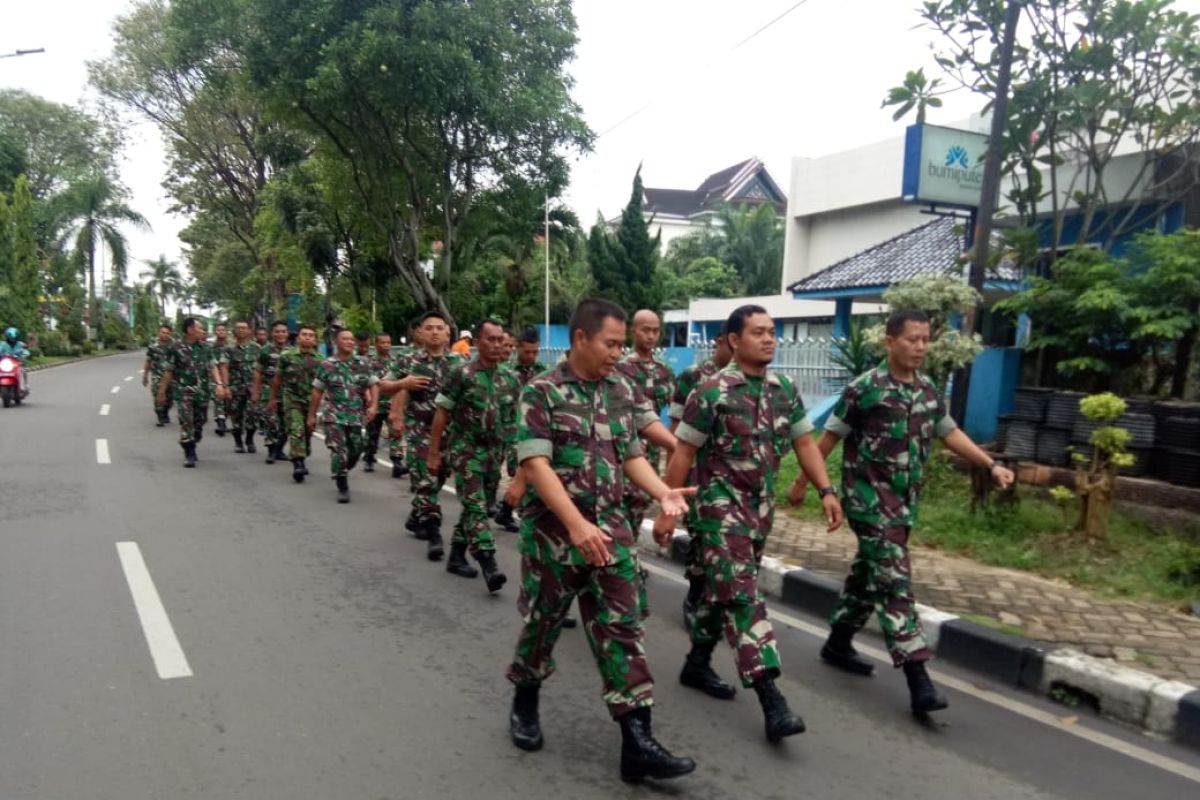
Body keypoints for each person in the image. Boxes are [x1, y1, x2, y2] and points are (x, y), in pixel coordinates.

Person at [505, 298, 697, 783]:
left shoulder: (621, 388)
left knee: (622, 627)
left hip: (612, 531)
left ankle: (637, 741)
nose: (618, 352)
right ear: (580, 339)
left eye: (620, 344)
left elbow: (631, 454)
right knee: (543, 623)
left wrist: (662, 492)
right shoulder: (542, 392)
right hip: (554, 535)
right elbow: (535, 463)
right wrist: (574, 524)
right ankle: (525, 697)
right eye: (610, 343)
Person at [802, 308, 1015, 715]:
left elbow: (949, 432)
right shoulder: (865, 388)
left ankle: (838, 642)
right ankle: (919, 678)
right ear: (889, 341)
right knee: (895, 582)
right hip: (868, 503)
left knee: (871, 573)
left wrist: (989, 465)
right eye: (912, 339)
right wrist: (810, 486)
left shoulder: (929, 390)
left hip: (903, 505)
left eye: (925, 339)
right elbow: (826, 439)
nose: (920, 347)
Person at [655, 305, 843, 743]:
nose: (769, 339)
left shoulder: (784, 389)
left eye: (772, 332)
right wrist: (667, 510)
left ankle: (697, 664)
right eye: (758, 332)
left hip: (759, 512)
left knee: (713, 591)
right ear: (734, 340)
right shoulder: (711, 392)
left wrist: (826, 490)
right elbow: (682, 455)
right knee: (741, 596)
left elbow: (804, 443)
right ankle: (770, 696)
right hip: (719, 510)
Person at [429, 318, 519, 592]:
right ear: (478, 342)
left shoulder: (509, 379)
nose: (496, 345)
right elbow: (442, 412)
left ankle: (456, 555)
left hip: (494, 456)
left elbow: (513, 422)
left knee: (476, 508)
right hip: (465, 451)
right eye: (490, 339)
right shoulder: (461, 374)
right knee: (477, 507)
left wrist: (515, 457)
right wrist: (434, 452)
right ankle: (489, 563)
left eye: (500, 340)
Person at [380, 312, 464, 553]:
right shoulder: (408, 362)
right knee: (426, 481)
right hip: (420, 434)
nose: (435, 332)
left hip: (451, 435)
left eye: (440, 328)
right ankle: (434, 534)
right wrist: (403, 384)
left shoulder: (460, 364)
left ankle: (416, 516)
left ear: (448, 333)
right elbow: (383, 385)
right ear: (421, 333)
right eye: (429, 328)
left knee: (435, 482)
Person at [668, 326, 734, 630]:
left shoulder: (749, 380)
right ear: (720, 342)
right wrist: (673, 481)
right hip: (698, 470)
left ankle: (715, 596)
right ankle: (694, 596)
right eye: (730, 346)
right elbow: (677, 426)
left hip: (733, 477)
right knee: (699, 535)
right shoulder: (694, 376)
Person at [615, 310, 676, 534]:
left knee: (640, 503)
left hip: (650, 453)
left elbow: (675, 411)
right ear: (633, 331)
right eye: (645, 330)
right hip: (623, 450)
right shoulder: (620, 368)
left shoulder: (664, 371)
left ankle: (629, 551)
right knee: (619, 504)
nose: (651, 336)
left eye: (655, 330)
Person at [309, 329, 379, 503]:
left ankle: (343, 469)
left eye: (351, 339)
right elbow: (317, 391)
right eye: (345, 339)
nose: (349, 342)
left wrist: (374, 405)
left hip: (356, 415)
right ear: (336, 342)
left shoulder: (363, 363)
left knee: (356, 448)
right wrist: (311, 415)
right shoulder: (327, 365)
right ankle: (342, 484)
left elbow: (374, 384)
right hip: (333, 415)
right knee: (338, 450)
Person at [495, 326, 548, 532]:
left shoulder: (542, 372)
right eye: (527, 352)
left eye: (535, 351)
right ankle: (512, 512)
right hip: (511, 433)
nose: (532, 356)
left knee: (529, 476)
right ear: (517, 348)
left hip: (536, 433)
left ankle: (508, 512)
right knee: (521, 474)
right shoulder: (505, 372)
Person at [156, 317, 227, 467]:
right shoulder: (175, 349)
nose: (202, 331)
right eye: (200, 328)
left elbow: (213, 366)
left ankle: (196, 435)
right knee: (186, 421)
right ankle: (189, 452)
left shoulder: (206, 348)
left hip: (203, 392)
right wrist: (161, 392)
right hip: (184, 393)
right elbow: (169, 371)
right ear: (190, 330)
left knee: (200, 421)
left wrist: (219, 384)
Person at [271, 324, 321, 483]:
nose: (307, 337)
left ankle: (302, 457)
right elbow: (278, 379)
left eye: (311, 335)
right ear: (298, 338)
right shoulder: (286, 356)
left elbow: (324, 385)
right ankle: (297, 463)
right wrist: (273, 398)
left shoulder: (320, 360)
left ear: (314, 340)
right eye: (304, 334)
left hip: (311, 401)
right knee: (296, 429)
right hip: (292, 399)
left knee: (307, 432)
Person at [251, 321, 289, 462]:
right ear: (272, 334)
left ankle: (280, 449)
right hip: (268, 390)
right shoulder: (265, 350)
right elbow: (258, 372)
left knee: (286, 424)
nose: (280, 334)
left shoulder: (292, 351)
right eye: (277, 331)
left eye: (283, 331)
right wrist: (256, 391)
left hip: (287, 392)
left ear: (287, 333)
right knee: (271, 421)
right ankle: (271, 451)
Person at [223, 320, 260, 453]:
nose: (241, 330)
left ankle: (249, 439)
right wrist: (226, 386)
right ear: (234, 330)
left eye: (244, 328)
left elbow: (261, 369)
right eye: (238, 328)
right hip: (236, 387)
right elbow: (225, 367)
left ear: (249, 331)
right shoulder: (229, 349)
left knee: (253, 415)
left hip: (252, 387)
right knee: (236, 416)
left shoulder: (257, 348)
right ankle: (238, 442)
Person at [362, 332, 394, 474]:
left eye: (388, 342)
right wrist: (368, 399)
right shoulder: (369, 362)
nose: (386, 345)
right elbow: (364, 381)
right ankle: (369, 458)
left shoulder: (395, 361)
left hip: (391, 404)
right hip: (375, 404)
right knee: (372, 434)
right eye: (382, 342)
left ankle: (397, 461)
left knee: (395, 433)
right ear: (376, 344)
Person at [142, 324, 175, 426]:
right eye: (163, 332)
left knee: (170, 397)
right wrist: (145, 375)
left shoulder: (175, 346)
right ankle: (160, 416)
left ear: (170, 334)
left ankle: (165, 412)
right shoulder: (153, 347)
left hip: (171, 376)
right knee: (157, 394)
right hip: (157, 375)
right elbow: (148, 361)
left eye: (167, 333)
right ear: (159, 333)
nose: (165, 335)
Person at [211, 322, 231, 436]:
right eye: (218, 330)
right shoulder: (211, 347)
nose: (221, 332)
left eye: (223, 330)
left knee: (228, 402)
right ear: (215, 332)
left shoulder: (231, 346)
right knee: (218, 399)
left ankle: (224, 418)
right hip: (215, 377)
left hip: (230, 377)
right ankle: (220, 422)